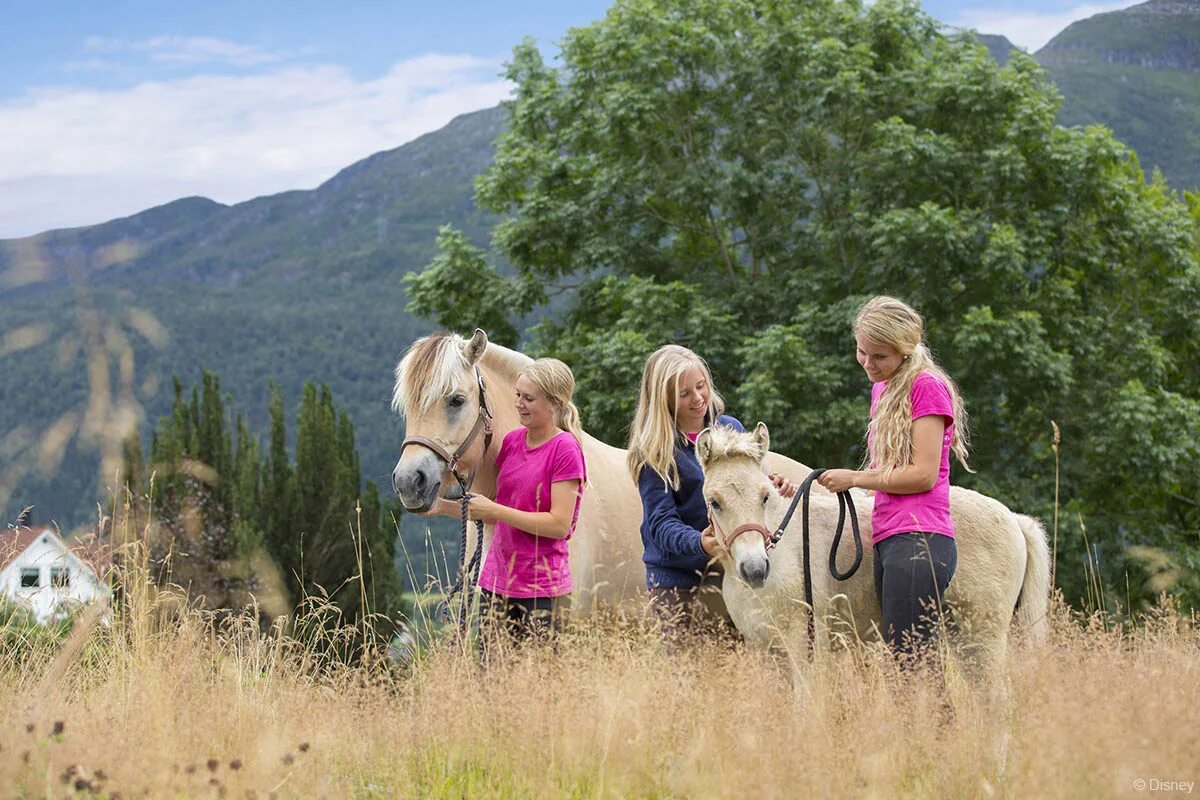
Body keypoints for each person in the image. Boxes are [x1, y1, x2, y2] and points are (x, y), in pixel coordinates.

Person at [817, 296, 971, 661]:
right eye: (862, 352)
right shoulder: (883, 389)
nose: (868, 364)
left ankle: (931, 721)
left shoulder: (926, 387)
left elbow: (923, 475)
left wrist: (855, 479)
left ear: (904, 351)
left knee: (911, 663)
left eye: (879, 356)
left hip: (920, 537)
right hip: (890, 537)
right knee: (907, 663)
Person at [626, 344, 794, 636]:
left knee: (739, 669)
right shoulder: (653, 451)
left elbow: (747, 487)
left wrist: (773, 484)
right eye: (684, 393)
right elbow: (660, 523)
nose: (698, 398)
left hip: (733, 568)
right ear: (662, 399)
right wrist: (699, 544)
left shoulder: (730, 427)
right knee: (691, 675)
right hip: (678, 582)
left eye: (701, 386)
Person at [435, 358, 587, 644]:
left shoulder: (565, 449)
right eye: (517, 394)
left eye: (529, 398)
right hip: (496, 584)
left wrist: (496, 509)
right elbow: (495, 515)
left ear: (554, 404)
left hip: (543, 590)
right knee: (493, 681)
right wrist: (443, 507)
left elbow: (559, 524)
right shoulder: (513, 442)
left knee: (538, 682)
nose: (518, 403)